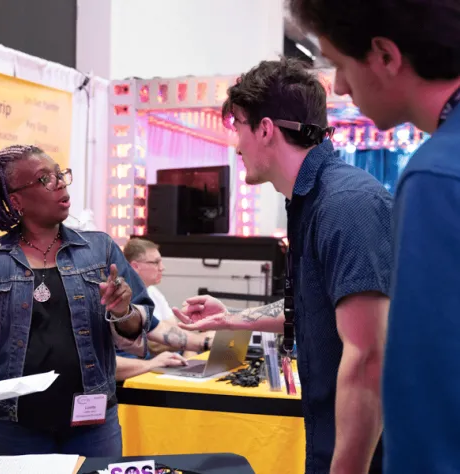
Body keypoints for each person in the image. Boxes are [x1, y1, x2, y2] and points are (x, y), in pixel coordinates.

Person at [173, 58, 393, 474]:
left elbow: (368, 359)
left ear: (266, 129)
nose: (236, 145)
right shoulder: (312, 202)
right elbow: (317, 306)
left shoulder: (347, 206)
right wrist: (234, 319)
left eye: (237, 126)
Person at [289, 1, 460, 472]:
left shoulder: (435, 176)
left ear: (385, 55)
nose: (340, 86)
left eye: (341, 65)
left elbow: (431, 390)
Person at [0, 145, 208, 459]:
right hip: (14, 428)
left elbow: (137, 327)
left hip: (91, 423)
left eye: (60, 174)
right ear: (16, 200)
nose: (60, 183)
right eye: (44, 179)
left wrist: (122, 311)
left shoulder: (99, 250)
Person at [122, 238, 199, 358]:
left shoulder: (152, 291)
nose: (162, 267)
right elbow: (154, 343)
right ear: (135, 266)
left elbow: (172, 327)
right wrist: (194, 343)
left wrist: (190, 353)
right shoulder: (125, 298)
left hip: (172, 356)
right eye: (156, 262)